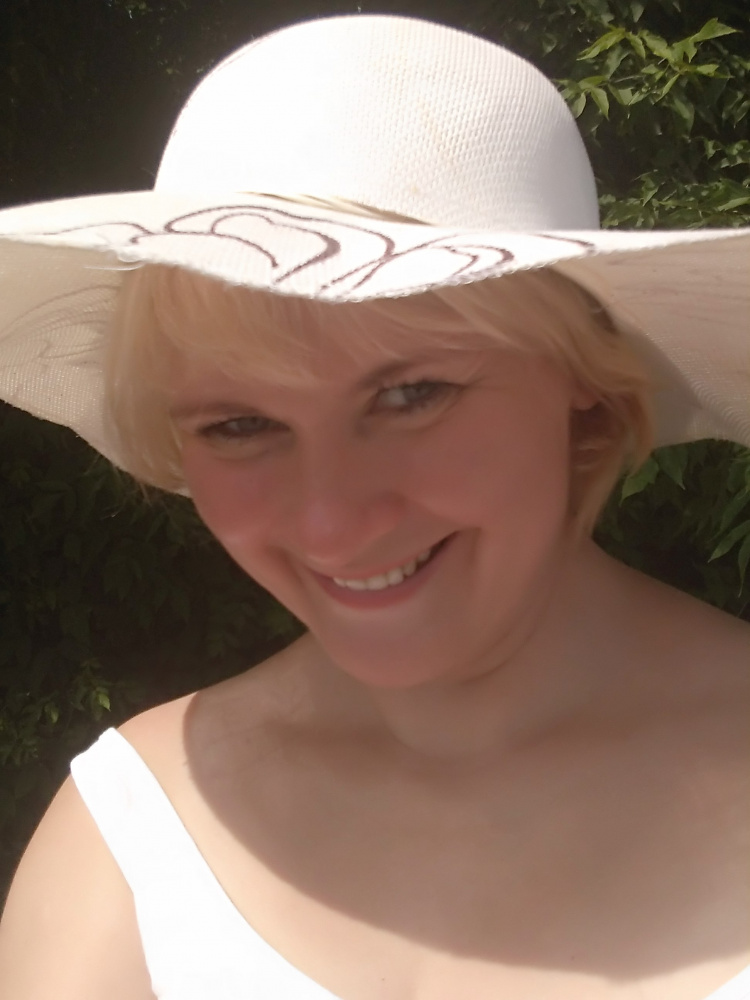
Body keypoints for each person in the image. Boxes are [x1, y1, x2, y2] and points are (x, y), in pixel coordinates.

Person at [0, 14, 748, 1000]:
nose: (331, 523)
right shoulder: (128, 850)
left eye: (412, 395)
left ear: (580, 373)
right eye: (240, 425)